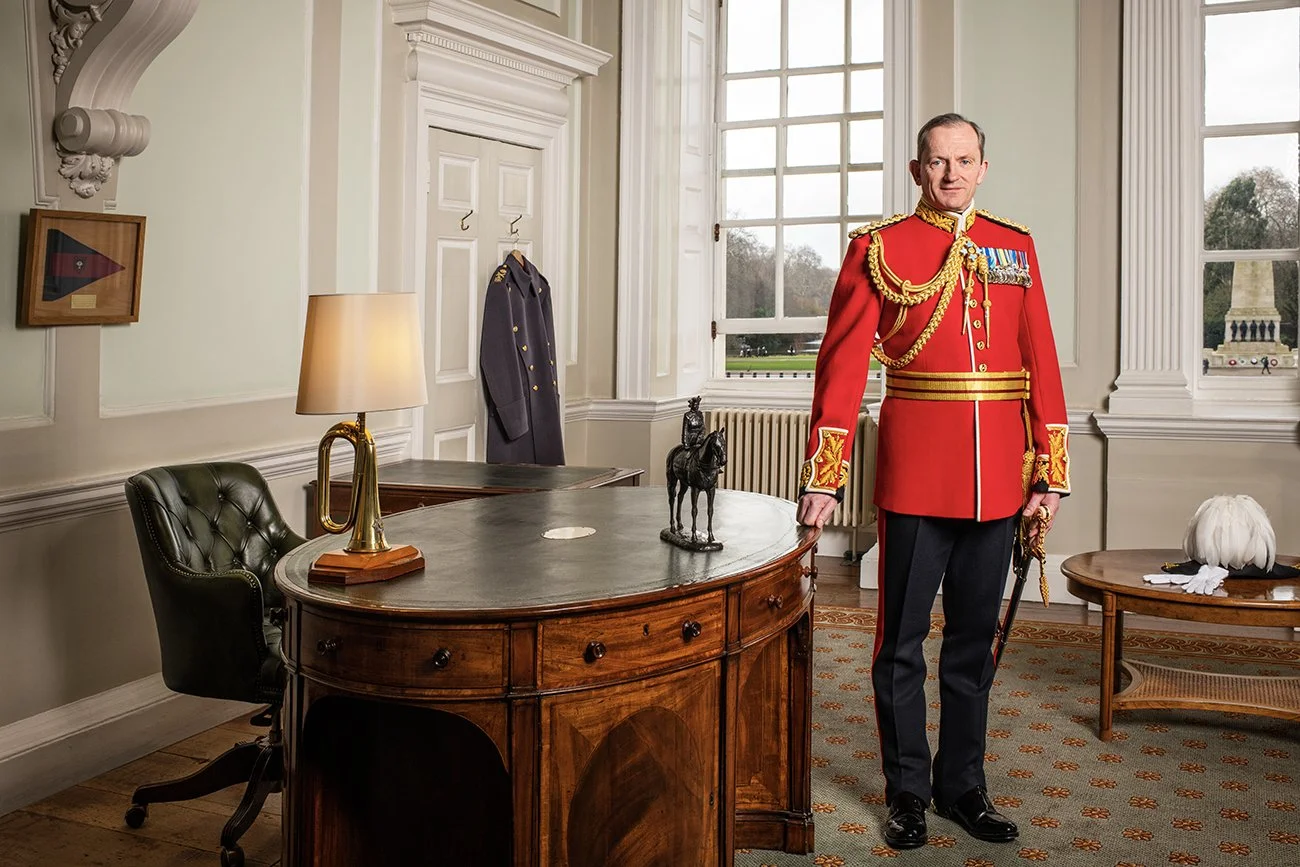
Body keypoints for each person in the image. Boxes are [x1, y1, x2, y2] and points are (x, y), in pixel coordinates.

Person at [796, 113, 1070, 851]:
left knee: (975, 644)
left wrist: (1048, 469)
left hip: (997, 485)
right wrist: (825, 477)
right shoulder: (880, 249)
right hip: (916, 479)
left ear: (984, 167)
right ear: (917, 170)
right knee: (902, 646)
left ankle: (964, 787)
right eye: (937, 161)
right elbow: (844, 367)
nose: (952, 173)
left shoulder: (1014, 246)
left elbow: (1039, 355)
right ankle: (907, 792)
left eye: (965, 159)